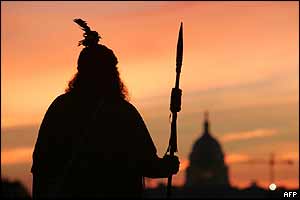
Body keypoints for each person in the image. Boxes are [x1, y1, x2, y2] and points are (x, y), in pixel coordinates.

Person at [31, 19, 180, 198]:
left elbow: (41, 166)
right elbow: (146, 163)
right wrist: (169, 166)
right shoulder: (122, 113)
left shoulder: (60, 108)